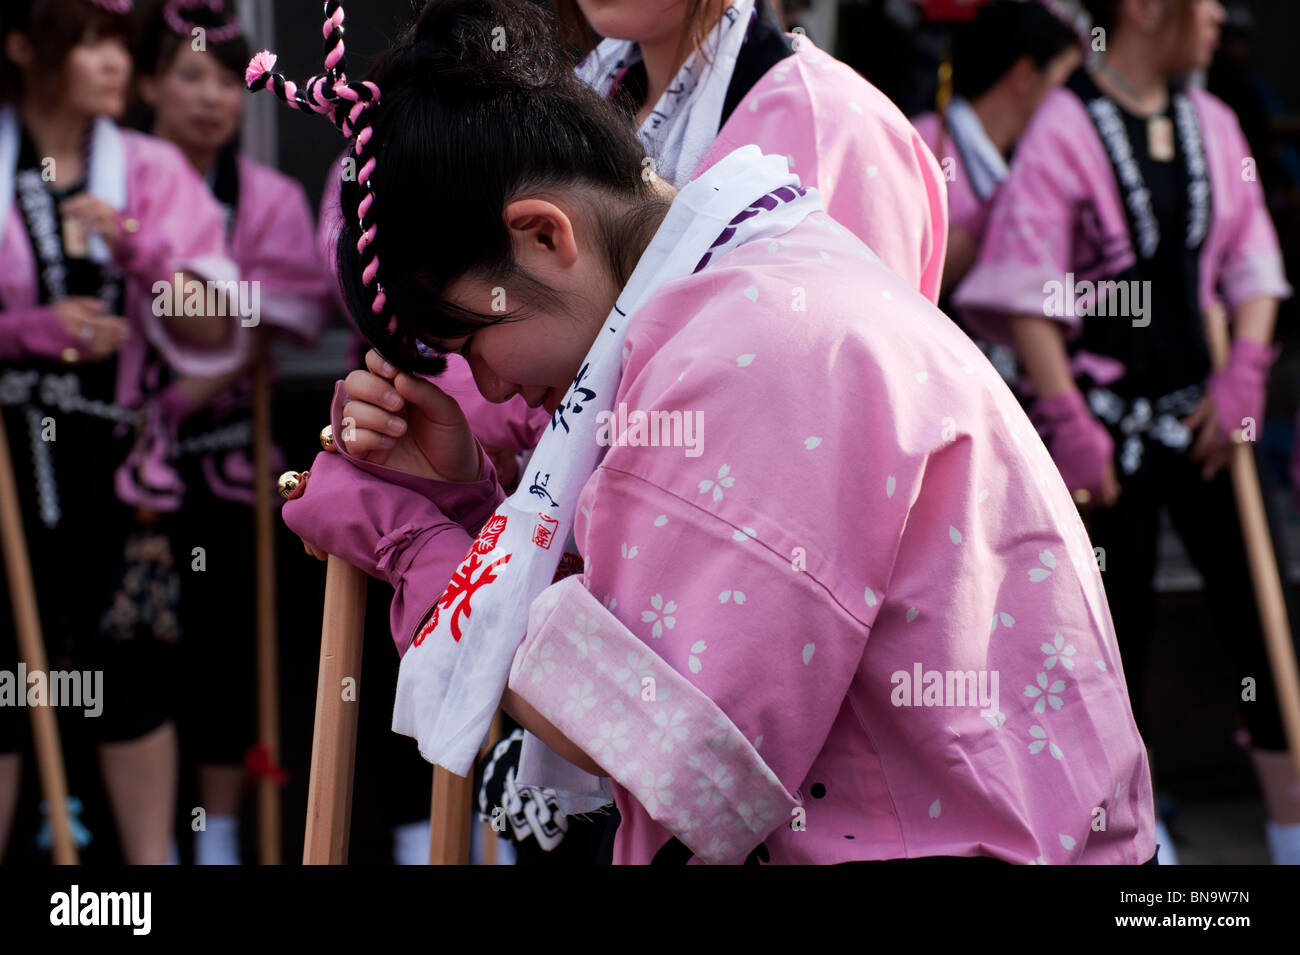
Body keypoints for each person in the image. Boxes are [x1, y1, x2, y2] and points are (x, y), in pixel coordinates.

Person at [261, 0, 1155, 864]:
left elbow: (679, 755)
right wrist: (465, 504)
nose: (487, 383)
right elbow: (648, 623)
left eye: (470, 337)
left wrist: (426, 547)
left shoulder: (752, 341)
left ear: (542, 234)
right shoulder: (732, 286)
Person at [953, 0, 1299, 863]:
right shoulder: (1067, 127)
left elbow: (1254, 259)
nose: (1219, 14)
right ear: (1145, 9)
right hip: (1104, 431)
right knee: (1111, 631)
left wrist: (1245, 368)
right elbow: (1033, 281)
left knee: (1265, 621)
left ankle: (1290, 829)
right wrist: (1066, 414)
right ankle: (1137, 845)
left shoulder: (1213, 120)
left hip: (1205, 413)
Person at [0, 0, 240, 864]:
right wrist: (20, 333)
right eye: (87, 41)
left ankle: (146, 872)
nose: (109, 61)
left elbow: (221, 323)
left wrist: (143, 254)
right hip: (6, 461)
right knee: (1, 677)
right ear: (23, 45)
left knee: (124, 673)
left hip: (115, 465)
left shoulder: (148, 171)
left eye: (118, 44)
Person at [133, 0, 331, 865]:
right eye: (189, 75)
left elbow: (300, 300)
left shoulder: (272, 194)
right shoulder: (118, 181)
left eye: (224, 80)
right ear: (147, 84)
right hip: (118, 451)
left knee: (232, 647)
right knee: (136, 654)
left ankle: (216, 840)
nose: (210, 98)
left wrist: (227, 321)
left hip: (234, 461)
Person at [912, 0, 1082, 299]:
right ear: (1026, 75)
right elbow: (906, 277)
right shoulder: (924, 141)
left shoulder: (1025, 161)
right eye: (1065, 83)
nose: (1073, 103)